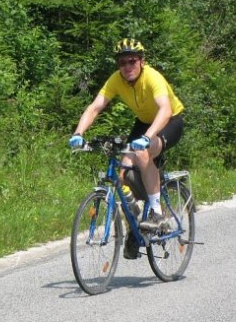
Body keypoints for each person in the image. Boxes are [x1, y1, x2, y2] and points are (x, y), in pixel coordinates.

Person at [69, 38, 185, 259]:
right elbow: (95, 107)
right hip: (144, 121)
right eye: (122, 62)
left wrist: (149, 137)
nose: (127, 67)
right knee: (123, 173)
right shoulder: (116, 80)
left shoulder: (152, 77)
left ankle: (157, 213)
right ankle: (136, 223)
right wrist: (78, 134)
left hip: (169, 121)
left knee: (142, 152)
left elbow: (165, 109)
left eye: (132, 61)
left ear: (142, 61)